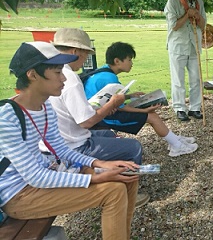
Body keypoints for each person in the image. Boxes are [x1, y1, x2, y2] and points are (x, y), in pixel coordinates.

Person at [0, 41, 140, 240]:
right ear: (32, 74)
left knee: (126, 176)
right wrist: (96, 177)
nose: (64, 78)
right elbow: (34, 177)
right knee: (113, 191)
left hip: (46, 176)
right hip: (20, 196)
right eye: (57, 72)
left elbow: (60, 149)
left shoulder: (44, 106)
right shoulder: (7, 119)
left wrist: (100, 163)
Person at [48, 28, 149, 207]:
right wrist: (112, 104)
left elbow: (77, 112)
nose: (86, 57)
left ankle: (111, 179)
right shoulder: (69, 79)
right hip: (73, 147)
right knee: (133, 147)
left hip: (62, 139)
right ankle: (127, 193)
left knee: (109, 135)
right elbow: (86, 122)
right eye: (86, 52)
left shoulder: (54, 73)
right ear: (75, 52)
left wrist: (101, 107)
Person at [83, 42, 198, 157]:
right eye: (129, 60)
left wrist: (130, 96)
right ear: (117, 61)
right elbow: (121, 107)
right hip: (104, 117)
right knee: (151, 116)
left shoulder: (103, 72)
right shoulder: (110, 79)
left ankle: (175, 139)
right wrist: (144, 111)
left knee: (149, 113)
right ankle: (176, 146)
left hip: (96, 112)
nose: (131, 64)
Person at [164, 0, 206, 122]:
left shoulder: (199, 2)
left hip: (194, 45)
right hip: (178, 46)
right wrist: (188, 14)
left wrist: (198, 16)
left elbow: (203, 26)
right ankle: (180, 108)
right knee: (178, 80)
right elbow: (174, 26)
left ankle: (195, 108)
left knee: (196, 78)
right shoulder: (172, 2)